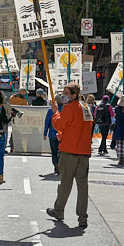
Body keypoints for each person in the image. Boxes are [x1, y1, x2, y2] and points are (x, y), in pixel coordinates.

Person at [46, 82, 92, 228]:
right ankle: (82, 217)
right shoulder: (86, 107)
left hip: (70, 151)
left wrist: (55, 112)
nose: (63, 96)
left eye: (66, 93)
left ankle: (59, 210)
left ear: (74, 95)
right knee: (82, 186)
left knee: (66, 183)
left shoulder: (70, 108)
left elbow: (58, 124)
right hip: (83, 151)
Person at [43, 94, 63, 174]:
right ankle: (59, 164)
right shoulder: (64, 109)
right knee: (60, 151)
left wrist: (45, 133)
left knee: (53, 151)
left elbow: (47, 122)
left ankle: (55, 164)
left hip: (52, 133)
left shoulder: (50, 110)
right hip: (61, 133)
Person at [8, 88, 28, 153]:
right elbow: (25, 108)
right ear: (22, 92)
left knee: (14, 131)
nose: (25, 94)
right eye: (25, 93)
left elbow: (10, 106)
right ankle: (16, 145)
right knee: (19, 131)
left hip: (13, 116)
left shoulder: (12, 97)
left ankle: (12, 145)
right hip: (19, 117)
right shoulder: (23, 99)